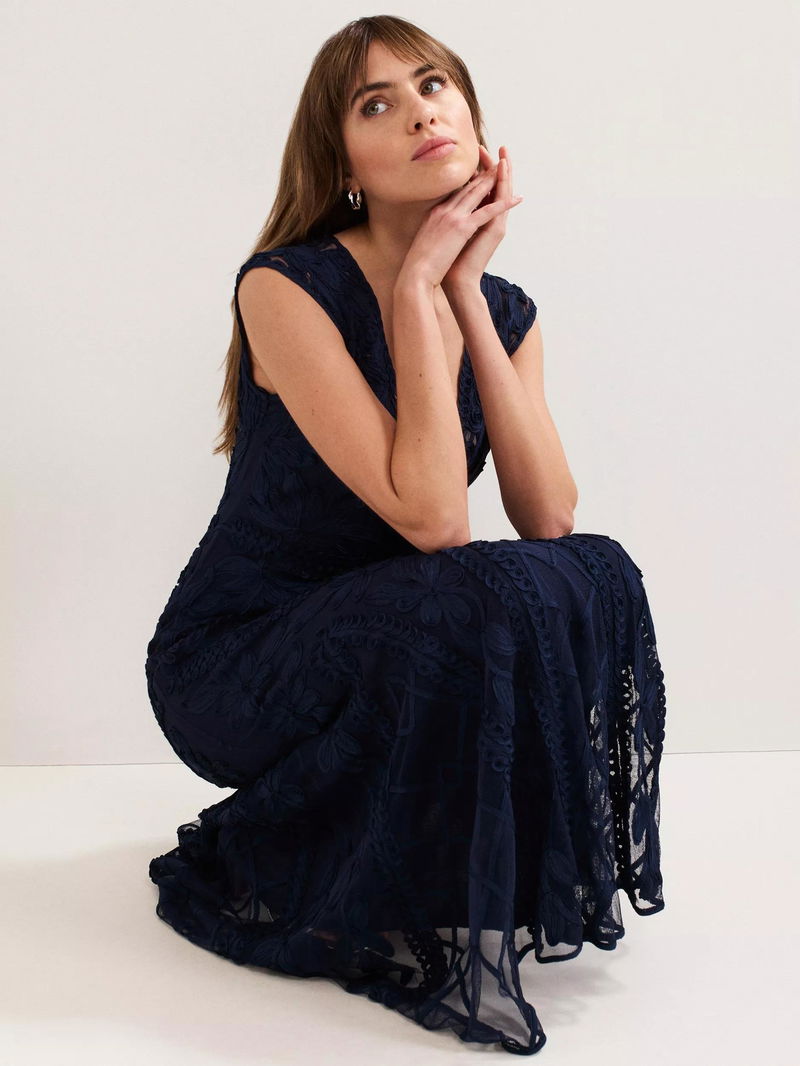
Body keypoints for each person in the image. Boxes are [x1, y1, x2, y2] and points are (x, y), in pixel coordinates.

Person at [145, 14, 667, 1058]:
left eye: (433, 86)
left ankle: (452, 862)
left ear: (471, 115)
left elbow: (547, 516)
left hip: (392, 637)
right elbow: (434, 520)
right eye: (377, 104)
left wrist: (462, 290)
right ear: (344, 166)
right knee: (476, 582)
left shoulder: (506, 309)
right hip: (239, 661)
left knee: (591, 569)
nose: (421, 113)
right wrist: (417, 289)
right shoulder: (284, 287)